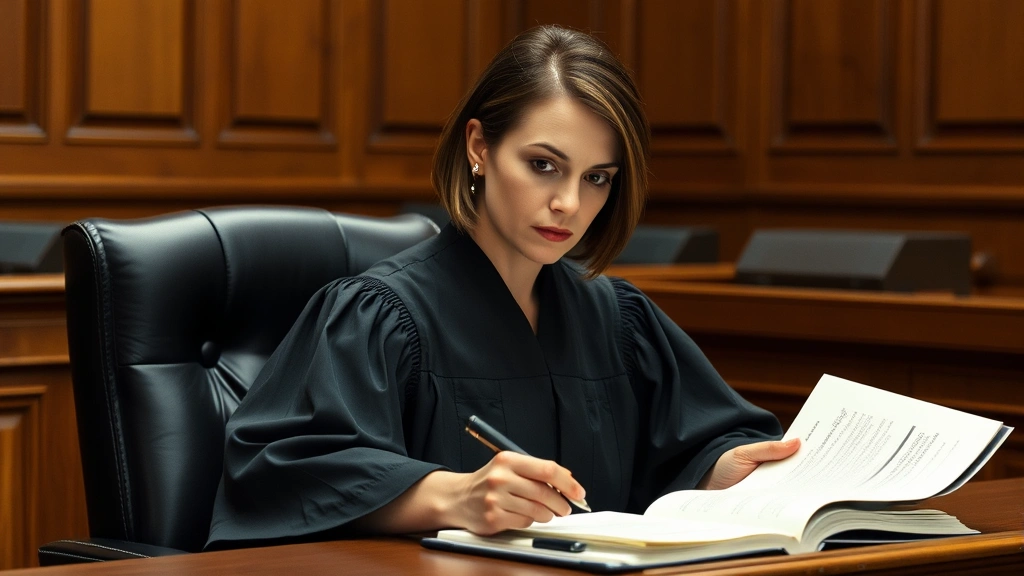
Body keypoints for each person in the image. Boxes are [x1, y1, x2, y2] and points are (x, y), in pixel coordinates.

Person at [205, 25, 798, 550]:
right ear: (479, 148)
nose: (568, 203)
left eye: (596, 178)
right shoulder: (377, 316)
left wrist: (720, 472)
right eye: (543, 165)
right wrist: (453, 496)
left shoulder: (619, 322)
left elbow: (690, 450)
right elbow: (281, 473)